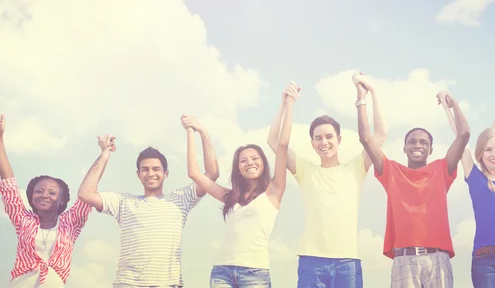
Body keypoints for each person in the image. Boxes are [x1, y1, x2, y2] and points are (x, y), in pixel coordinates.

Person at [355, 73, 470, 288]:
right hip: (404, 260)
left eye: (423, 142)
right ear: (405, 147)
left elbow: (464, 134)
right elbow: (366, 139)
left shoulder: (441, 169)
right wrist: (362, 96)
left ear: (430, 149)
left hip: (438, 259)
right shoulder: (391, 171)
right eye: (413, 141)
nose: (418, 145)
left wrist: (452, 102)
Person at [185, 81, 299, 287]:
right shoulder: (230, 196)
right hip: (222, 271)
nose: (250, 163)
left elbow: (282, 145)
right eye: (243, 160)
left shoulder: (274, 191)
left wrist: (287, 103)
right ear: (238, 168)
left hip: (255, 273)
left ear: (263, 163)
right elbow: (194, 173)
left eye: (255, 159)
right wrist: (195, 131)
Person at [269, 75, 378, 288]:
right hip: (311, 261)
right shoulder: (305, 170)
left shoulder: (356, 167)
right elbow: (275, 142)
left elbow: (379, 135)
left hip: (348, 262)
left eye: (329, 136)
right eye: (318, 138)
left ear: (339, 139)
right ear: (312, 143)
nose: (324, 142)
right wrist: (286, 103)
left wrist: (366, 94)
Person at [77, 126, 219, 287]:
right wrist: (105, 153)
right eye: (145, 169)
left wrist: (202, 132)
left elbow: (212, 174)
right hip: (128, 283)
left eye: (156, 169)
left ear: (166, 173)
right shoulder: (124, 201)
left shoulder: (181, 198)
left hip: (168, 284)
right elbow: (85, 193)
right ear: (138, 174)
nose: (150, 173)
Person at [439, 87, 495, 287]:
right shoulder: (474, 177)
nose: (494, 154)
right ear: (480, 153)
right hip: (484, 260)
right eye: (488, 149)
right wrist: (448, 107)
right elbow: (460, 135)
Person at [0, 114, 92, 287]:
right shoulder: (23, 220)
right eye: (39, 191)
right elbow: (8, 186)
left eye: (52, 192)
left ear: (62, 199)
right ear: (31, 196)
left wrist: (104, 154)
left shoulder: (71, 223)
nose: (44, 195)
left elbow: (87, 195)